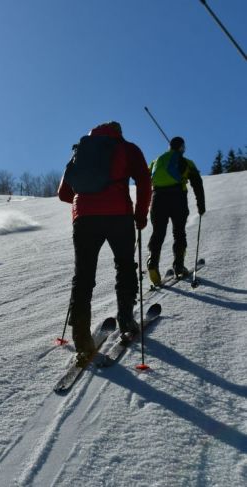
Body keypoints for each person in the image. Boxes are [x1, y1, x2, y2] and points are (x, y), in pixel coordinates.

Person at [58, 121, 151, 365]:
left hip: (84, 218)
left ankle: (81, 338)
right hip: (119, 216)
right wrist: (141, 215)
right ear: (119, 133)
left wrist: (90, 202)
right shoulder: (127, 148)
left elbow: (64, 193)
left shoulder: (82, 150)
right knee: (125, 265)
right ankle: (126, 319)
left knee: (83, 276)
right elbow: (144, 181)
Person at [147, 136, 205, 284]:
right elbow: (197, 183)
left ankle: (153, 263)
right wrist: (201, 205)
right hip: (178, 197)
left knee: (158, 232)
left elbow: (145, 177)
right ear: (182, 147)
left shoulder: (156, 160)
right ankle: (179, 266)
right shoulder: (186, 162)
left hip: (158, 198)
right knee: (179, 232)